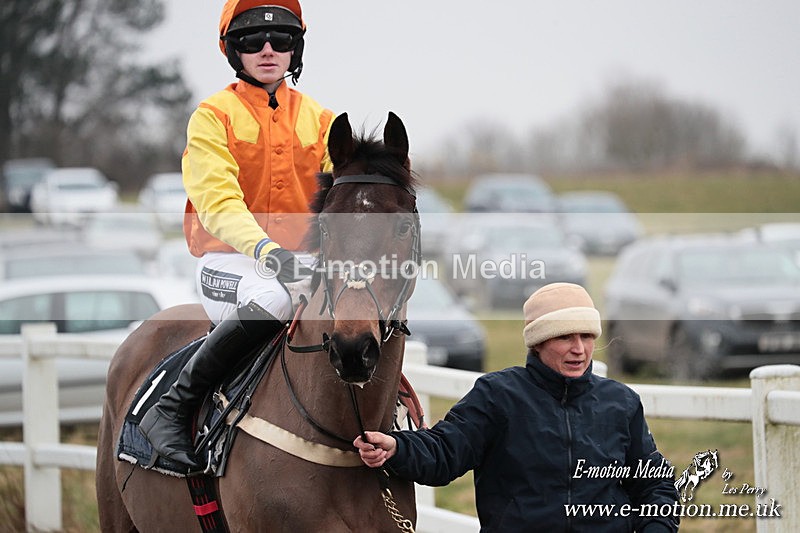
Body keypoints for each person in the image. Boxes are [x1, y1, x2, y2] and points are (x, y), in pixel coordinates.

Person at [140, 0, 335, 472]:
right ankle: (172, 407)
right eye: (252, 40)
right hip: (230, 263)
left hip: (299, 262)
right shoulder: (213, 116)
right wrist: (268, 251)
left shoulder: (323, 121)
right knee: (275, 298)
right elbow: (218, 202)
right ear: (233, 50)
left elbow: (342, 197)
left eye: (281, 39)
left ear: (294, 50)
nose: (268, 49)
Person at [354, 282, 680, 532]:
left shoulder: (621, 403)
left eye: (586, 336)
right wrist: (398, 448)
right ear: (538, 341)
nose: (579, 349)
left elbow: (656, 484)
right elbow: (445, 451)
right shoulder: (497, 395)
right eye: (565, 337)